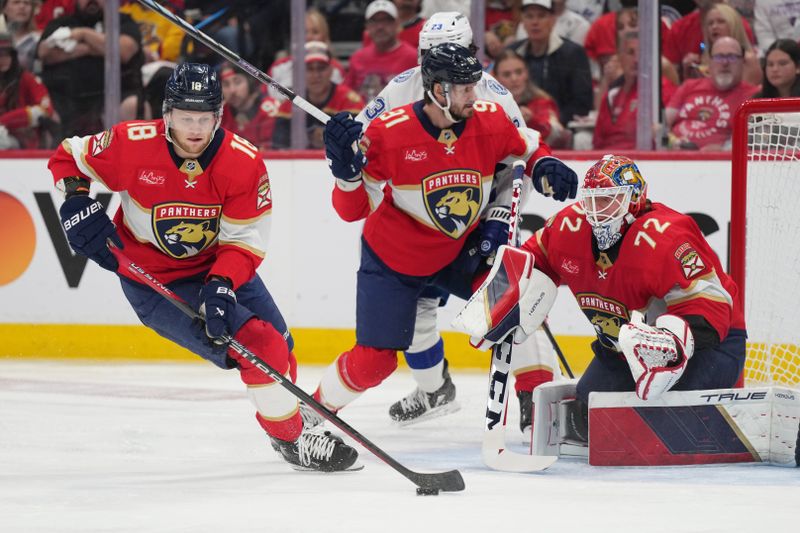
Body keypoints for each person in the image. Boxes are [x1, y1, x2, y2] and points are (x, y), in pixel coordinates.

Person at [47, 62, 360, 473]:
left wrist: (222, 284)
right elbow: (69, 157)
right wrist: (75, 200)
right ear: (167, 115)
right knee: (262, 350)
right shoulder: (131, 143)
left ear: (219, 116)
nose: (194, 129)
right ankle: (293, 440)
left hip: (219, 265)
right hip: (156, 283)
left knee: (280, 347)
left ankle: (287, 422)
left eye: (204, 118)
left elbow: (243, 241)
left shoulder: (242, 162)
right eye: (184, 118)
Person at [310, 43, 578, 430]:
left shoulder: (490, 119)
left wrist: (546, 164)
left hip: (459, 249)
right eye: (466, 88)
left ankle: (537, 406)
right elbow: (352, 211)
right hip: (395, 259)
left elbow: (527, 149)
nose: (476, 93)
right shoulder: (390, 134)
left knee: (516, 297)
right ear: (438, 91)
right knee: (376, 360)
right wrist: (345, 175)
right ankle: (312, 414)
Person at [464, 154, 746, 442]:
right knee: (586, 421)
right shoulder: (568, 227)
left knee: (664, 429)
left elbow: (713, 309)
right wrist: (500, 295)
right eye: (592, 199)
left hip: (708, 349)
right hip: (620, 351)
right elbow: (531, 263)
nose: (596, 211)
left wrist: (670, 343)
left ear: (634, 198)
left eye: (607, 199)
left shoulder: (668, 237)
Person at [36, 0, 146, 137]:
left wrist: (84, 34)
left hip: (114, 95)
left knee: (133, 105)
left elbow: (123, 52)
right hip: (66, 98)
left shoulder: (123, 21)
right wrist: (99, 47)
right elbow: (46, 54)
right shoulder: (61, 23)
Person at [508, 0, 593, 126]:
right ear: (523, 22)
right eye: (529, 16)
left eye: (541, 16)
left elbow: (582, 103)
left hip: (560, 126)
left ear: (553, 20)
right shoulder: (512, 53)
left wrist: (547, 120)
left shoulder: (573, 54)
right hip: (518, 124)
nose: (535, 22)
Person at [666, 36, 757, 151]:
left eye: (732, 57)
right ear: (710, 61)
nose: (725, 63)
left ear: (742, 62)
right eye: (719, 57)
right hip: (675, 157)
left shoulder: (753, 96)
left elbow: (755, 141)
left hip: (722, 163)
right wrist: (672, 142)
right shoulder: (689, 86)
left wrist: (724, 150)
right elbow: (662, 125)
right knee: (636, 167)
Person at [592, 31, 677, 150]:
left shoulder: (661, 90)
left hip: (642, 163)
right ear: (619, 57)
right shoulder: (612, 95)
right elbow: (597, 143)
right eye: (631, 53)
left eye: (642, 53)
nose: (637, 60)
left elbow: (669, 139)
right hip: (608, 162)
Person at [272, 41, 363, 150]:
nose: (316, 75)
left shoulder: (350, 102)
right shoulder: (288, 106)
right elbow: (280, 149)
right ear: (300, 72)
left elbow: (359, 146)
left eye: (321, 68)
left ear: (331, 70)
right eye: (310, 69)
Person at [491, 48, 568, 148]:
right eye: (506, 74)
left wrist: (532, 121)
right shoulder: (490, 106)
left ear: (527, 73)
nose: (514, 78)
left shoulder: (543, 102)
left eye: (519, 72)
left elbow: (557, 134)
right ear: (496, 78)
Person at [344, 0, 418, 102]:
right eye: (374, 21)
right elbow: (346, 94)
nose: (380, 27)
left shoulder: (413, 57)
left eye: (386, 20)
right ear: (367, 26)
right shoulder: (357, 58)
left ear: (397, 23)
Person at [682, 3, 761, 86]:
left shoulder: (748, 60)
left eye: (721, 22)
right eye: (710, 23)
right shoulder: (702, 60)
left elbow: (747, 94)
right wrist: (687, 72)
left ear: (733, 25)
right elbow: (693, 93)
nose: (714, 27)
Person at [0, 31, 53, 149]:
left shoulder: (26, 78)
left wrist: (4, 121)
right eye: (0, 55)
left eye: (7, 54)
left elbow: (45, 110)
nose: (4, 59)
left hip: (23, 141)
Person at [219, 62, 280, 151]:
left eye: (237, 82)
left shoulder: (269, 109)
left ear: (250, 81)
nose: (232, 90)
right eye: (226, 84)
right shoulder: (220, 113)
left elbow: (269, 152)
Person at [1, 0, 41, 72]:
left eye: (26, 3)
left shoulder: (38, 40)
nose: (22, 7)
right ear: (5, 9)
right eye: (16, 2)